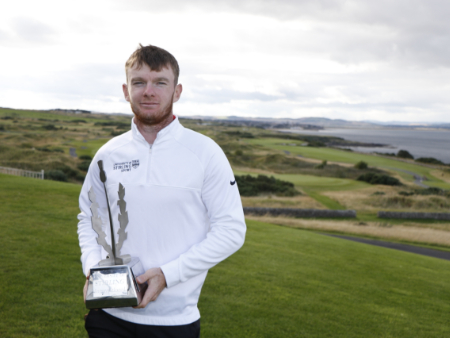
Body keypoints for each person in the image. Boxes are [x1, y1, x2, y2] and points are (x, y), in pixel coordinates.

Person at [77, 44, 246, 338]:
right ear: (126, 90)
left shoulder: (205, 153)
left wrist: (167, 276)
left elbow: (231, 231)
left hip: (174, 322)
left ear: (177, 91)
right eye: (139, 82)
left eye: (160, 82)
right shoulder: (108, 154)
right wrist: (93, 270)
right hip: (107, 317)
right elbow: (90, 219)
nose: (148, 91)